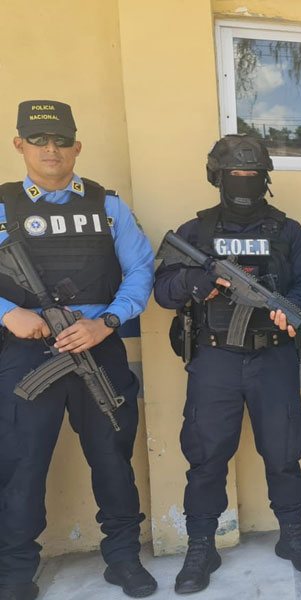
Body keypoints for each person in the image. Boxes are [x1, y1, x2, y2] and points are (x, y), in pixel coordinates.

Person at [153, 134, 301, 594]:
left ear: (265, 178)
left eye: (252, 175)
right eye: (235, 175)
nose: (244, 182)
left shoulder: (288, 231)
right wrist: (196, 282)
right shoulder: (195, 232)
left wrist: (294, 308)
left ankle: (292, 534)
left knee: (285, 453)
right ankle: (201, 546)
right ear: (218, 177)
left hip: (274, 358)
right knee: (206, 457)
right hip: (215, 360)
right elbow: (163, 289)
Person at [0, 100, 156, 599]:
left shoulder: (108, 206)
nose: (51, 148)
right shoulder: (2, 206)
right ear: (20, 144)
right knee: (21, 463)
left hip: (97, 346)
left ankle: (123, 558)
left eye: (61, 140)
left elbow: (140, 270)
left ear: (76, 146)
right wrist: (8, 313)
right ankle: (15, 572)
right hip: (27, 351)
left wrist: (106, 322)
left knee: (112, 457)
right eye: (39, 139)